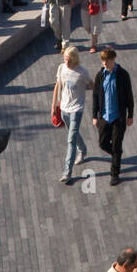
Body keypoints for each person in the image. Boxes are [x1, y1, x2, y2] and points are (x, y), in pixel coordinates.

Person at [92, 48, 134, 187]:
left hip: (118, 117)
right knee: (103, 143)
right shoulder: (100, 76)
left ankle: (114, 174)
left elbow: (129, 96)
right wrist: (95, 115)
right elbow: (96, 96)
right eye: (103, 60)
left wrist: (130, 115)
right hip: (104, 116)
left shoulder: (123, 75)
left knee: (116, 146)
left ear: (113, 59)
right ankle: (117, 155)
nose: (104, 63)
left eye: (107, 60)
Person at [52, 46, 94, 184]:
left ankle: (67, 172)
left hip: (77, 109)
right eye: (65, 59)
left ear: (75, 59)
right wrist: (54, 105)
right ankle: (83, 149)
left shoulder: (82, 72)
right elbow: (58, 86)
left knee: (71, 140)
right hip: (64, 107)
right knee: (72, 133)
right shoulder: (62, 68)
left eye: (68, 60)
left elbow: (92, 85)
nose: (66, 62)